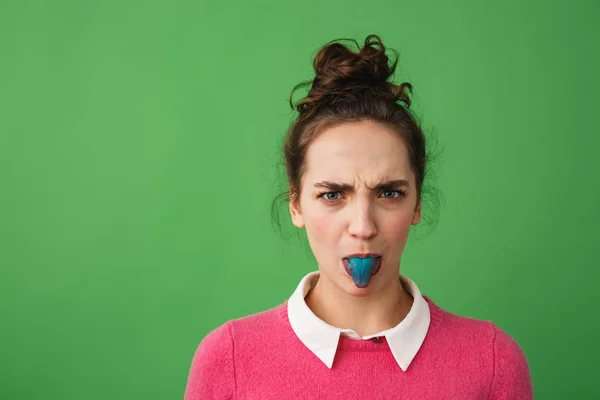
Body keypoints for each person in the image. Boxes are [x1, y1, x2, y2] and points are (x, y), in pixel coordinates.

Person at [183, 34, 533, 399]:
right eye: (332, 195)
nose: (363, 227)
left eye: (389, 193)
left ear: (416, 204)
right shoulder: (229, 360)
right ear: (296, 204)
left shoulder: (493, 362)